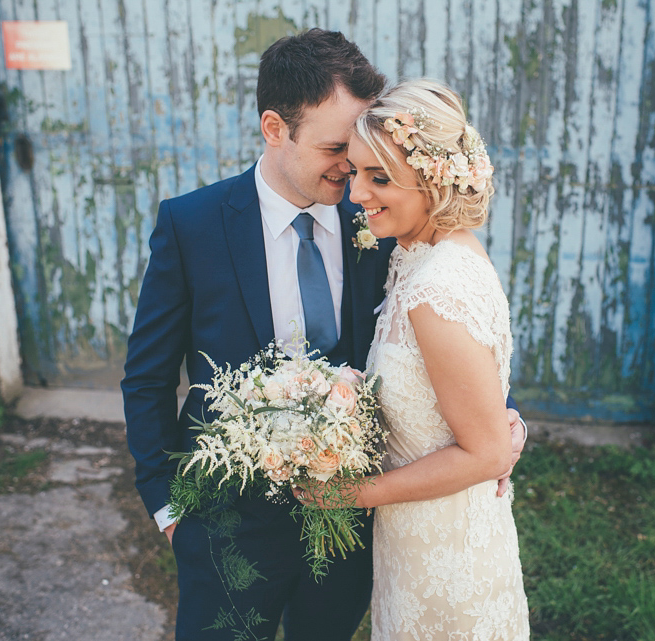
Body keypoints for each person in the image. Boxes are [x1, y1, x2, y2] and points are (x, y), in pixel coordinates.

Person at [122, 30, 526, 641]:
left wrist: (503, 421)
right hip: (226, 520)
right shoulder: (192, 224)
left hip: (351, 526)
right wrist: (169, 506)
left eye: (364, 151)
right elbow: (147, 376)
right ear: (275, 129)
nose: (353, 169)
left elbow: (443, 338)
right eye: (337, 147)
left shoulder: (381, 218)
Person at [298, 78, 530, 640]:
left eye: (380, 178)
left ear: (433, 181)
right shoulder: (426, 254)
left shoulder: (435, 289)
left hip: (446, 556)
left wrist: (352, 495)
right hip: (418, 536)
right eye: (354, 171)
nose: (356, 193)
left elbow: (485, 451)